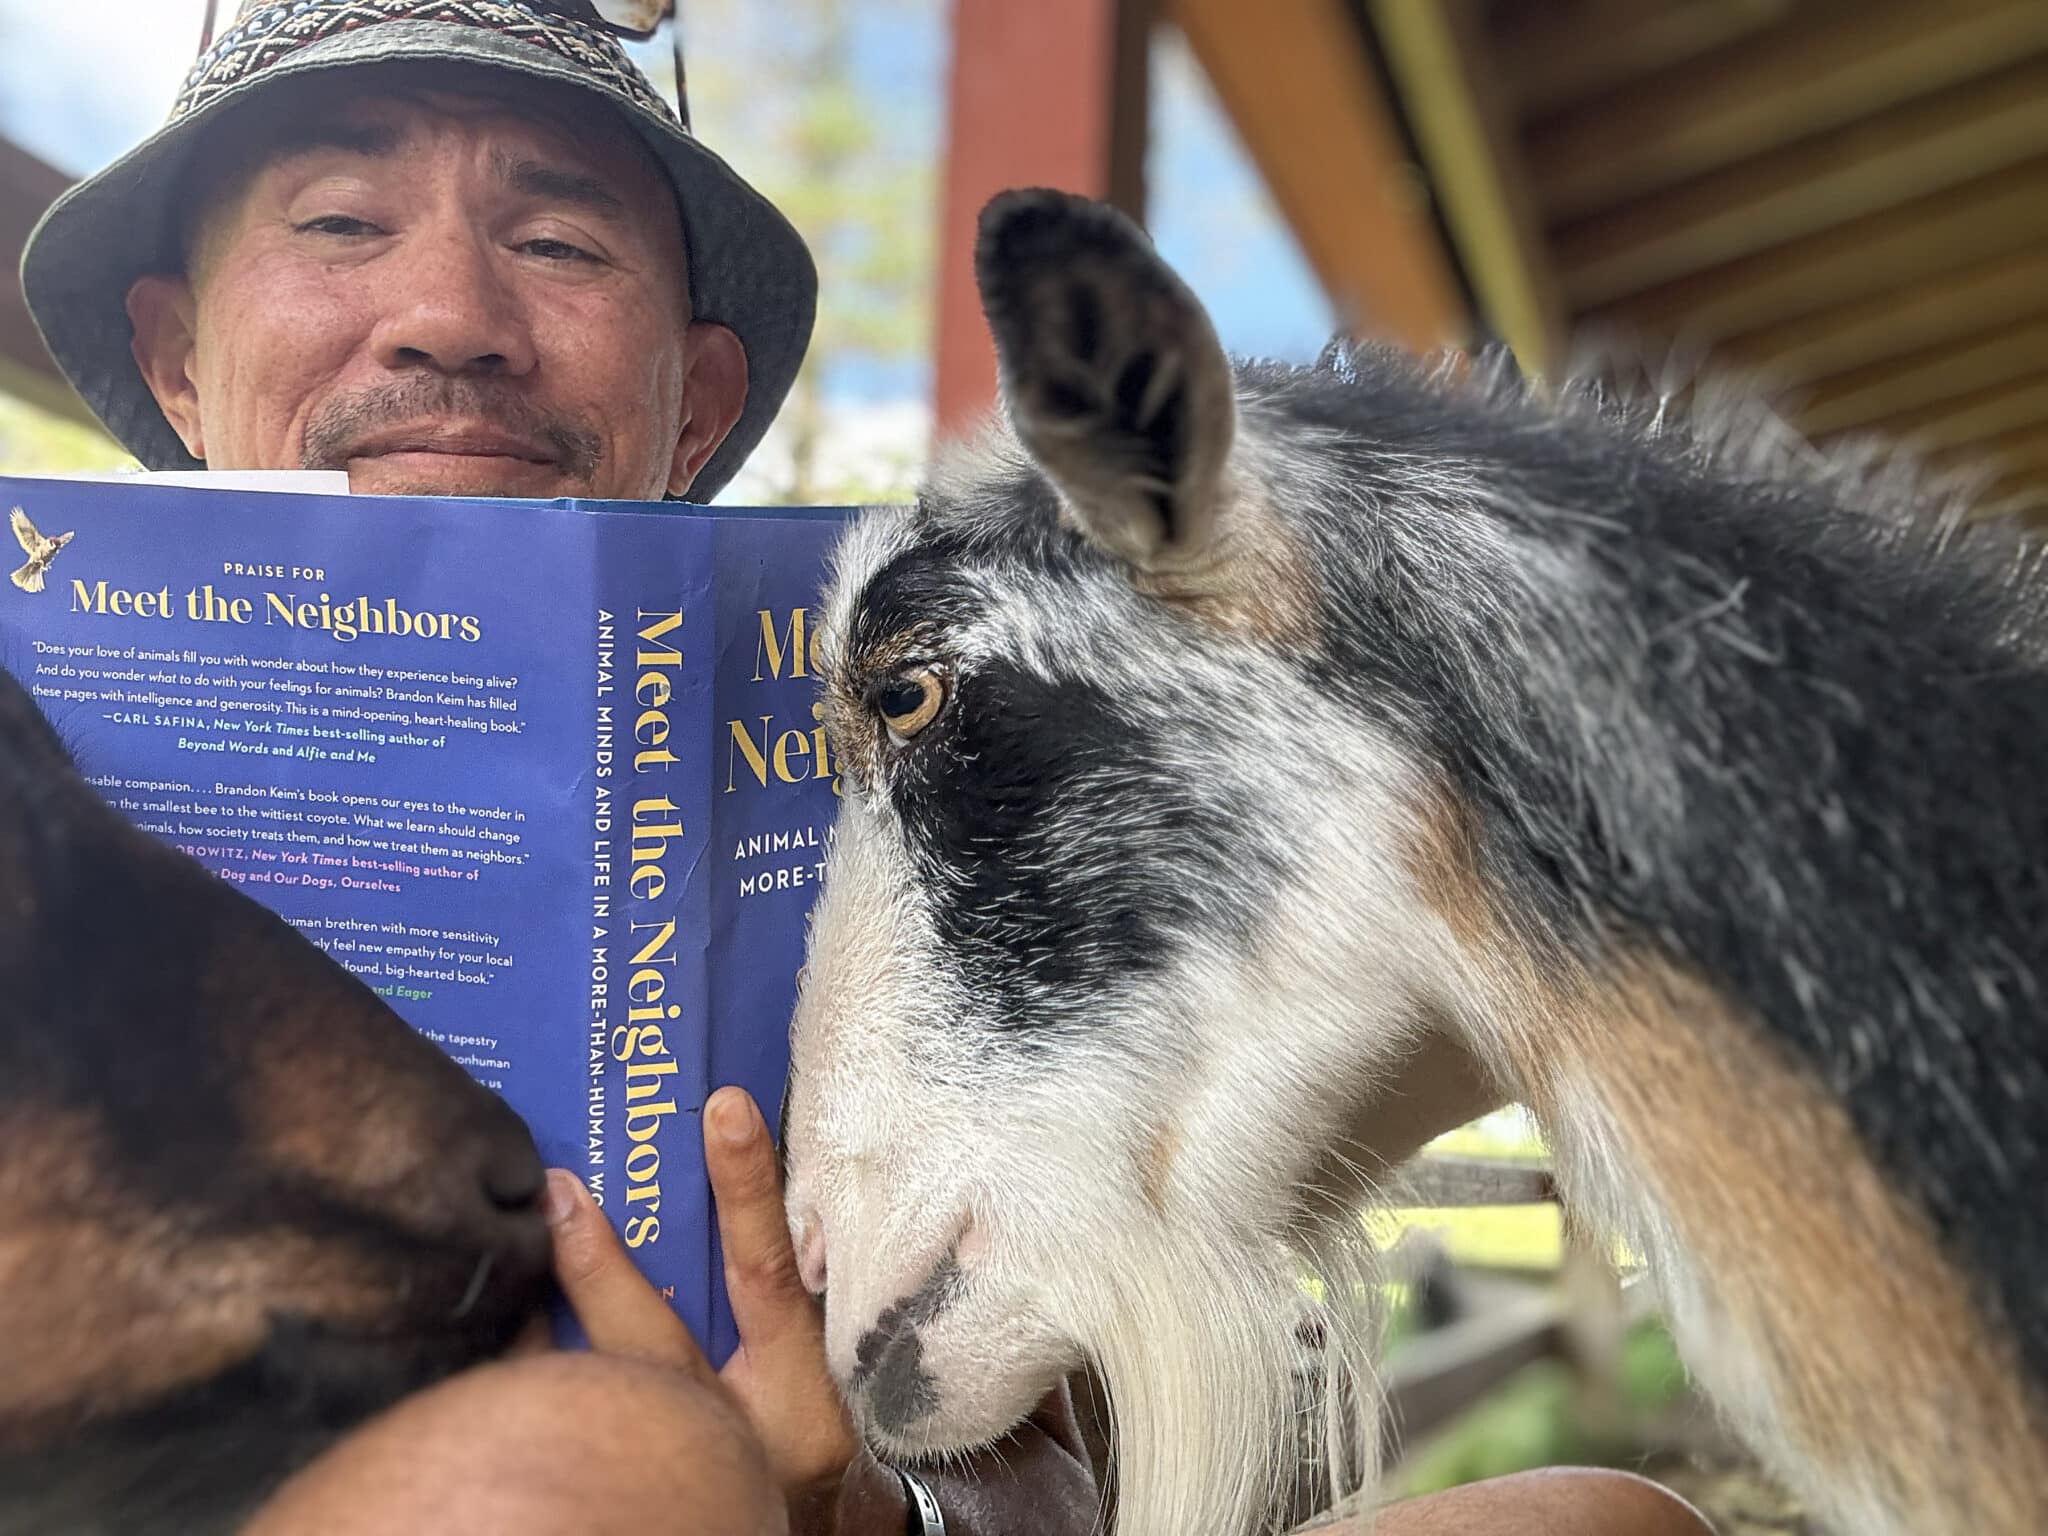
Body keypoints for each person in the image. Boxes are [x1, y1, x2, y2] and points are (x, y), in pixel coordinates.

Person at [18, 4, 1715, 1532]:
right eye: (338, 224)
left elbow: (1081, 1454)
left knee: (1596, 1528)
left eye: (555, 241)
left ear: (694, 402)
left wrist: (875, 1498)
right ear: (176, 359)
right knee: (596, 1479)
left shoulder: (932, 795)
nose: (452, 317)